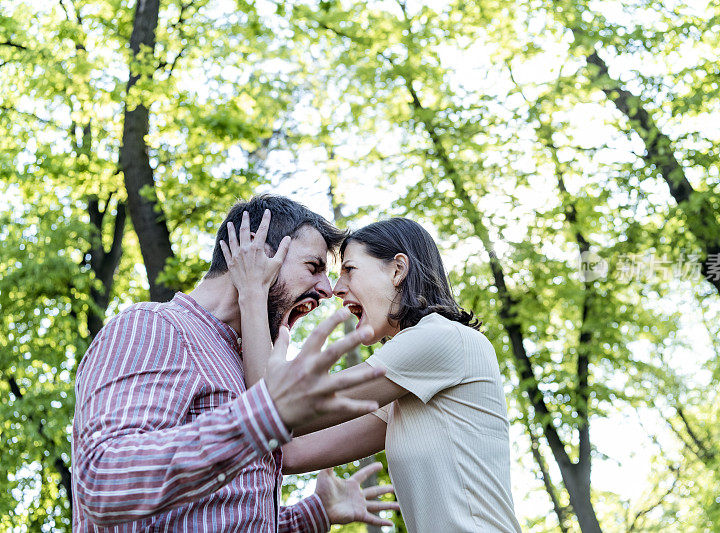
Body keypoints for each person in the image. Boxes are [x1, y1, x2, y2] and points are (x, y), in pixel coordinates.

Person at [72, 194, 398, 532]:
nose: (328, 289)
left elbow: (213, 516)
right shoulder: (156, 327)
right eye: (313, 267)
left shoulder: (237, 361)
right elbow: (104, 480)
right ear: (254, 252)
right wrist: (264, 415)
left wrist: (312, 514)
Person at [225, 217, 522, 533]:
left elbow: (276, 411)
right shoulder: (404, 388)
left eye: (349, 270)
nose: (337, 289)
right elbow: (285, 448)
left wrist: (254, 293)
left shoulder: (440, 338)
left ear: (397, 270)